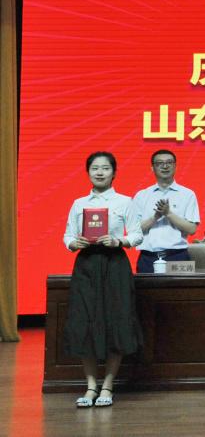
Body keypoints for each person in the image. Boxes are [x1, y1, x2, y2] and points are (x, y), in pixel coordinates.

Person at [63, 151, 143, 408]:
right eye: (95, 168)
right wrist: (74, 243)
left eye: (105, 168)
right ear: (88, 172)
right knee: (84, 322)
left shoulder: (125, 201)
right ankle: (90, 386)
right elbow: (68, 235)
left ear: (114, 172)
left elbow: (138, 235)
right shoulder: (78, 203)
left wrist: (119, 241)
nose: (100, 172)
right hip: (86, 265)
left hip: (115, 264)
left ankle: (107, 385)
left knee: (116, 321)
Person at [133, 149, 200, 273]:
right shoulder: (141, 195)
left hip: (179, 256)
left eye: (169, 162)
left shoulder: (188, 194)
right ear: (152, 168)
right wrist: (155, 217)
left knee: (184, 286)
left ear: (175, 166)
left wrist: (168, 214)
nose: (165, 166)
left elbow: (192, 229)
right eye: (159, 163)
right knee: (145, 287)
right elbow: (134, 229)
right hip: (148, 257)